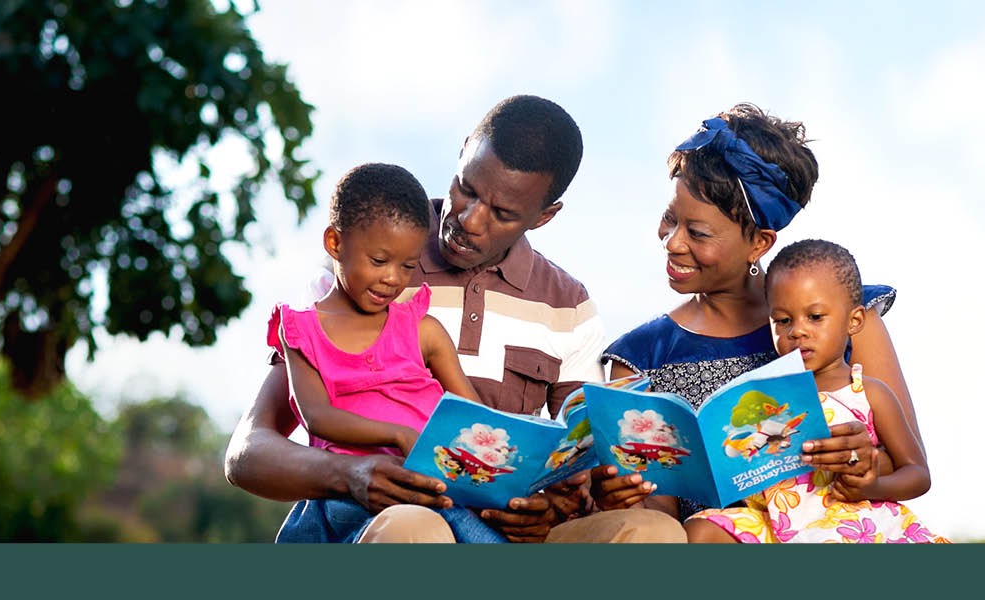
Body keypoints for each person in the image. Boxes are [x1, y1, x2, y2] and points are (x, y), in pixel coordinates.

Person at [224, 94, 686, 543]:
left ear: (543, 216)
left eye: (503, 213)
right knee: (416, 527)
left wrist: (550, 507)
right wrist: (350, 474)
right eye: (466, 188)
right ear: (463, 149)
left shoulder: (567, 305)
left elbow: (578, 462)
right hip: (388, 522)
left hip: (507, 530)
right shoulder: (363, 261)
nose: (469, 218)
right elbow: (247, 455)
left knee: (654, 533)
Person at [595, 103, 923, 523]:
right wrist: (624, 493)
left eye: (697, 232)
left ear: (759, 243)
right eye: (669, 218)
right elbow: (657, 519)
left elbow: (907, 465)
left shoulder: (848, 317)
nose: (672, 242)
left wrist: (865, 459)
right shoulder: (641, 357)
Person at [268, 162, 504, 542]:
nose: (393, 278)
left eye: (408, 266)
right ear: (335, 243)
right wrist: (398, 434)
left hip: (437, 484)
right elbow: (316, 416)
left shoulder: (422, 329)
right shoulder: (302, 331)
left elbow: (474, 416)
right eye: (379, 261)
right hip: (357, 489)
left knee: (474, 527)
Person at [683, 239, 948, 542]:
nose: (797, 331)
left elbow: (917, 474)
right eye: (783, 321)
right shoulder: (765, 398)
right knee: (699, 529)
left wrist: (872, 487)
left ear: (854, 320)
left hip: (848, 517)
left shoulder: (869, 393)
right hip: (776, 523)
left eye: (815, 317)